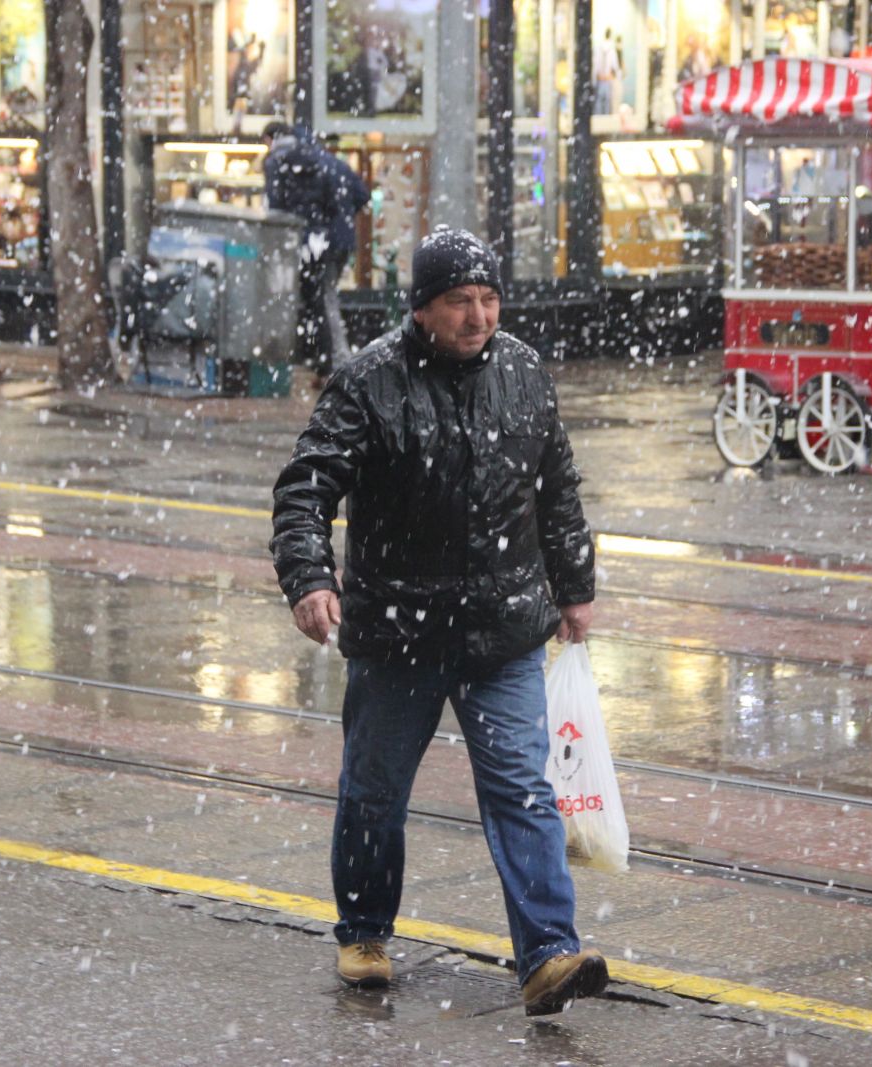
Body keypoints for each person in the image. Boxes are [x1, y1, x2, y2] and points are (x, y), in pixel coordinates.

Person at [269, 228, 609, 1016]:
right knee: (374, 792)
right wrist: (310, 577)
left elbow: (555, 483)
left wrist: (574, 584)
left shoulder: (523, 370)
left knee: (524, 790)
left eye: (489, 299)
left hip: (503, 628)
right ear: (422, 308)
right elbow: (306, 486)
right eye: (460, 301)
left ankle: (549, 953)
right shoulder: (368, 382)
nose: (478, 316)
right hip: (398, 631)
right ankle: (363, 931)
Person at [262, 123, 370, 380]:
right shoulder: (332, 161)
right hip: (339, 239)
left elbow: (276, 205)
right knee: (326, 296)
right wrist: (341, 219)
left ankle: (336, 363)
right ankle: (332, 360)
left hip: (315, 240)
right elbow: (362, 195)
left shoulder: (282, 160)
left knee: (321, 299)